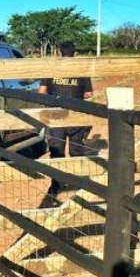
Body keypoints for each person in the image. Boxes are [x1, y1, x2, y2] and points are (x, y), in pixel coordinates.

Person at [37, 41, 95, 200]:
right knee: (76, 149)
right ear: (74, 53)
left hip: (56, 116)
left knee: (56, 151)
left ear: (59, 52)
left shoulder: (52, 69)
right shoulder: (81, 70)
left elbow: (41, 91)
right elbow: (89, 94)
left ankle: (55, 186)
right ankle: (78, 184)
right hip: (76, 115)